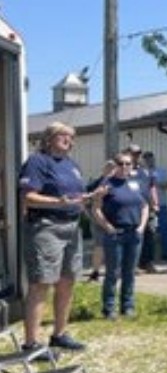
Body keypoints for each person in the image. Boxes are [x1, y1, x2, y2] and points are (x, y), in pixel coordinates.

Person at [19, 121, 107, 352]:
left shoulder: (71, 164)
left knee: (67, 281)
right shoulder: (37, 162)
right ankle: (31, 344)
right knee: (41, 284)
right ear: (49, 138)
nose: (71, 140)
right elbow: (28, 197)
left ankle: (59, 334)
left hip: (72, 227)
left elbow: (75, 196)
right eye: (65, 136)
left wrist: (91, 195)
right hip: (46, 227)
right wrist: (59, 202)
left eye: (73, 137)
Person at [92, 152, 149, 319]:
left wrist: (142, 227)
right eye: (121, 163)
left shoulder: (136, 183)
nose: (125, 167)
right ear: (115, 165)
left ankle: (128, 306)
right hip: (115, 234)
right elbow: (96, 208)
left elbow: (145, 206)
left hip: (134, 233)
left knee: (129, 273)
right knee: (113, 273)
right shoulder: (106, 184)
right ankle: (109, 308)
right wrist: (107, 226)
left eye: (128, 163)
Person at [126, 144, 159, 274]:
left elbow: (152, 186)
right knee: (134, 236)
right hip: (131, 208)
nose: (136, 156)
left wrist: (155, 203)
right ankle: (132, 264)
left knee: (150, 234)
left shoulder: (144, 171)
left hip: (146, 207)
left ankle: (147, 262)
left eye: (138, 153)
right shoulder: (124, 169)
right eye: (134, 153)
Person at [85, 160, 118, 283]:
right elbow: (85, 199)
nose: (111, 170)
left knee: (115, 246)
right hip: (98, 219)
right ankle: (95, 272)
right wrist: (90, 215)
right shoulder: (96, 183)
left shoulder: (118, 183)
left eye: (113, 168)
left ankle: (115, 271)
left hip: (114, 219)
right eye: (108, 167)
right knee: (99, 245)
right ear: (104, 169)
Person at [143, 150, 167, 260]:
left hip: (162, 204)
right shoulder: (142, 173)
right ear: (144, 161)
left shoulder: (162, 171)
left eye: (151, 158)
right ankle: (149, 256)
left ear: (154, 159)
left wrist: (157, 184)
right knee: (150, 231)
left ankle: (166, 253)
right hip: (147, 206)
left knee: (165, 229)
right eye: (146, 159)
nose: (149, 161)